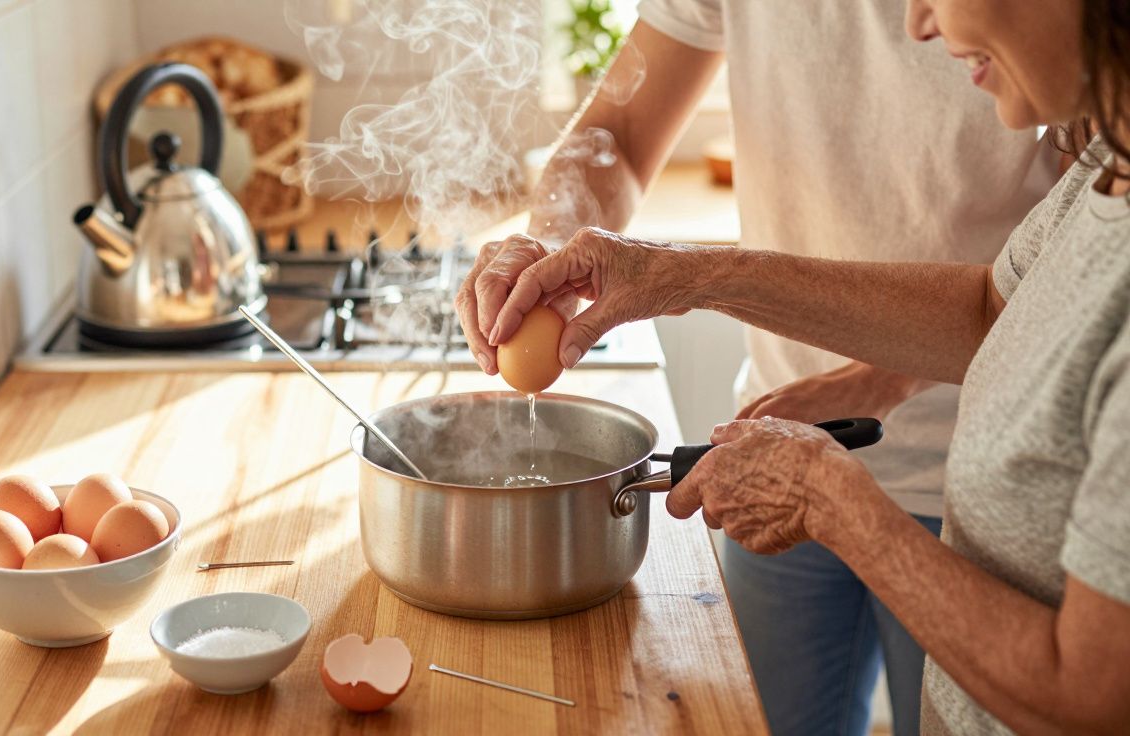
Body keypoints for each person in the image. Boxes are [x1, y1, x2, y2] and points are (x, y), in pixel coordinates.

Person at [478, 0, 1130, 732]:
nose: (921, 24)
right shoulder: (1106, 173)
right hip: (810, 438)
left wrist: (828, 496)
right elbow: (991, 308)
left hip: (951, 457)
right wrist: (683, 273)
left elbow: (1091, 694)